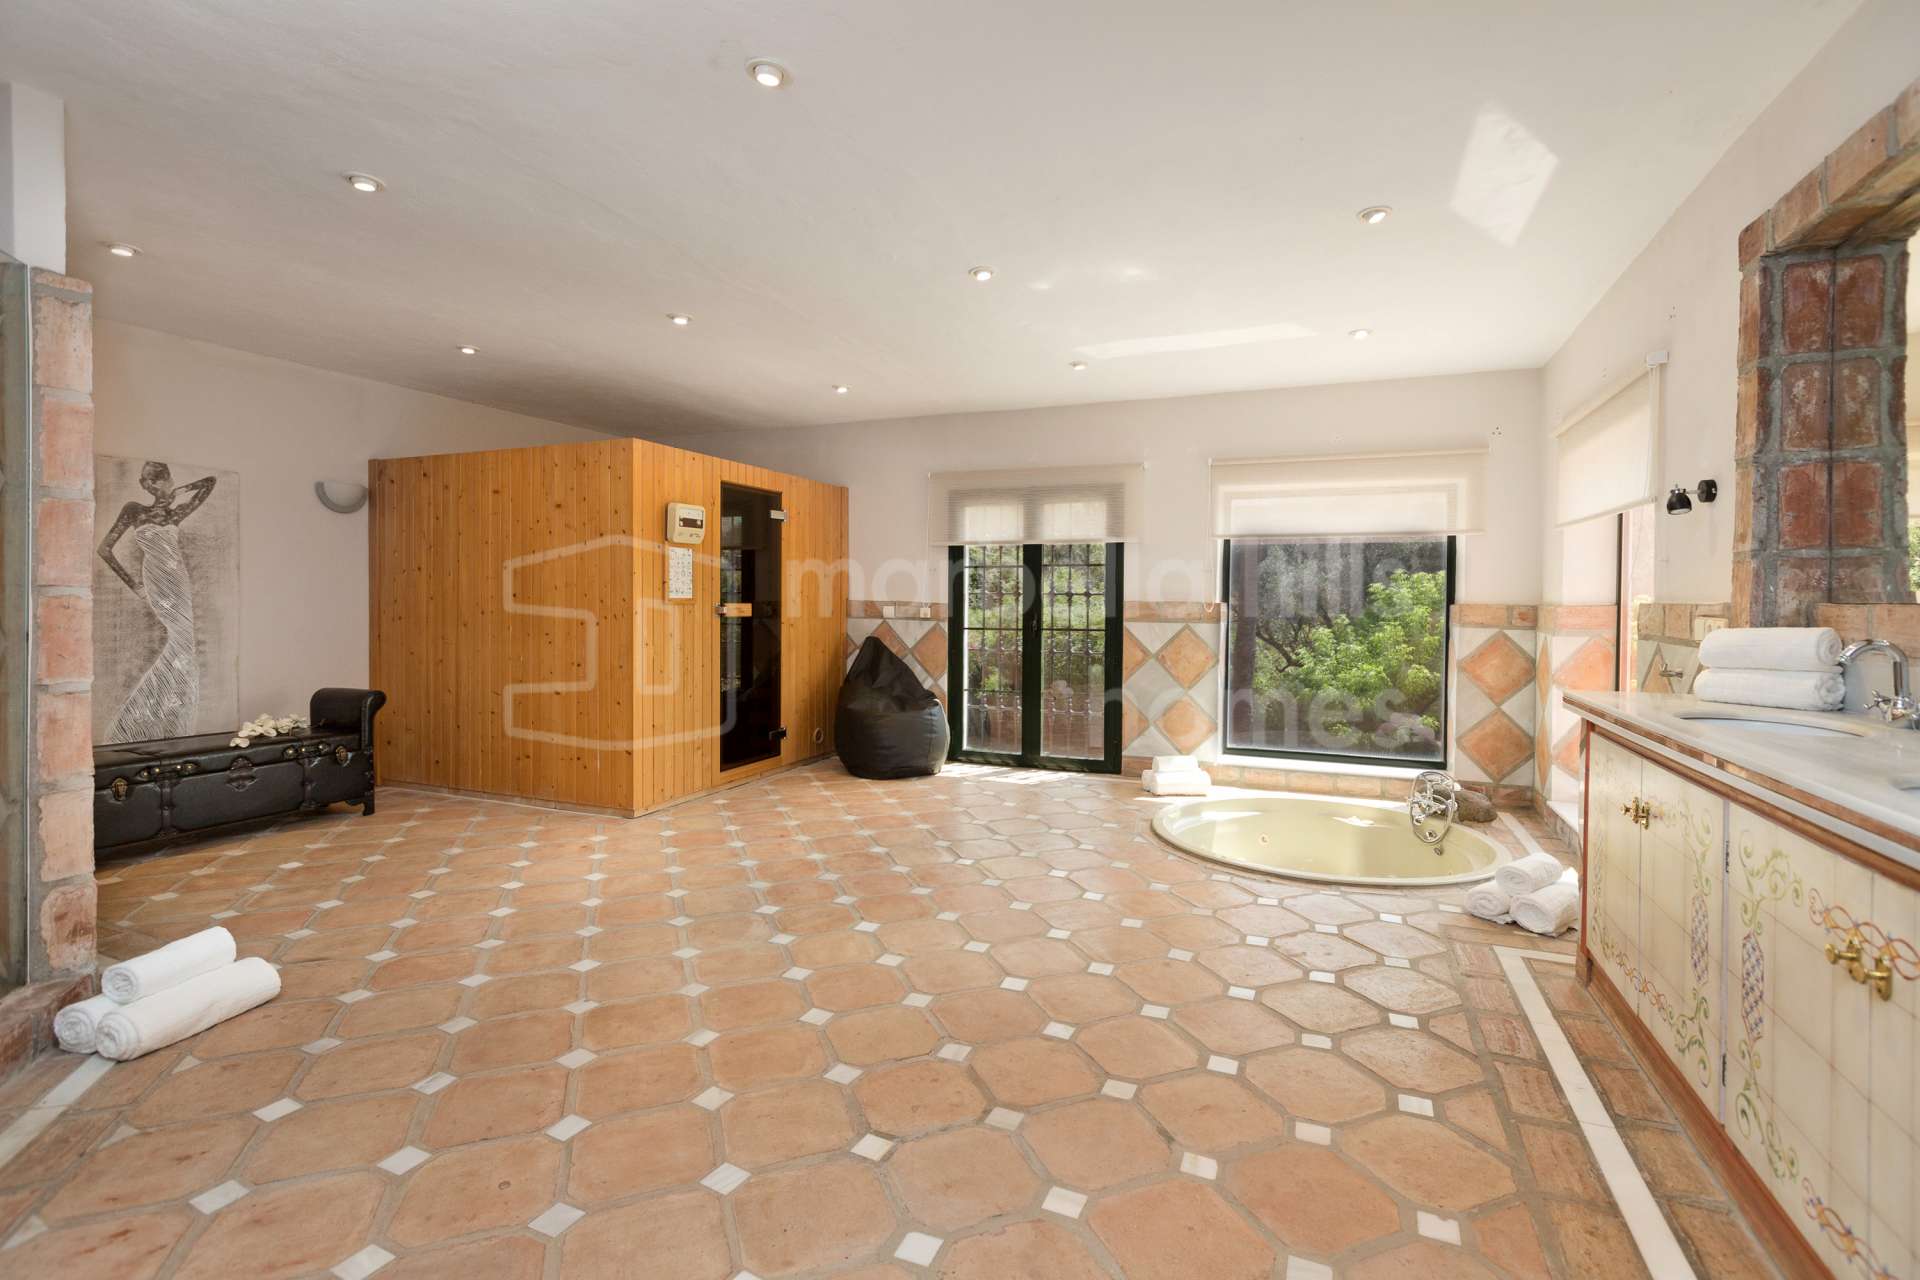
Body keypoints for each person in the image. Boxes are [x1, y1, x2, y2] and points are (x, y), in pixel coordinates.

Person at [97, 462, 217, 740]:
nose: (156, 484)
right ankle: (135, 720)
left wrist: (179, 491)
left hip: (178, 580)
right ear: (145, 485)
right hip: (155, 580)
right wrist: (134, 585)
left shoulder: (176, 513)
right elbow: (104, 549)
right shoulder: (134, 510)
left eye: (161, 479)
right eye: (150, 480)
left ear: (168, 480)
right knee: (178, 642)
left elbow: (209, 482)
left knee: (184, 644)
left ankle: (172, 714)